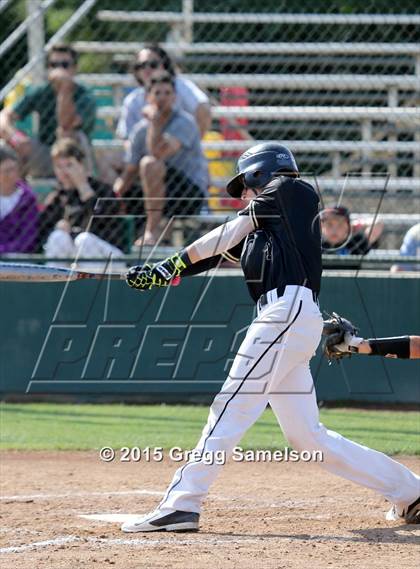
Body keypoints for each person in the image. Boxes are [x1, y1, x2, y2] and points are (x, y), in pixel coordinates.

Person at [122, 142, 419, 532]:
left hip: (286, 313)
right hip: (287, 318)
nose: (243, 195)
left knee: (229, 407)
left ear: (261, 173)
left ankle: (183, 503)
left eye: (245, 185)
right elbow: (214, 254)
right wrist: (164, 274)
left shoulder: (291, 190)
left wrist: (170, 264)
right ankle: (411, 493)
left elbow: (229, 230)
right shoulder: (266, 230)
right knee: (309, 439)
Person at [114, 72, 207, 246]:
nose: (162, 98)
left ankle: (152, 231)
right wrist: (113, 195)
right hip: (155, 193)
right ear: (148, 98)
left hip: (187, 194)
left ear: (175, 97)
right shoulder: (140, 130)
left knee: (150, 164)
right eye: (157, 93)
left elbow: (158, 153)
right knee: (123, 191)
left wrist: (155, 123)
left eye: (167, 93)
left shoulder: (185, 122)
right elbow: (130, 171)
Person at [0, 43, 96, 177]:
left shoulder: (85, 95)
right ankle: (17, 193)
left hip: (75, 157)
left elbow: (66, 124)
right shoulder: (42, 91)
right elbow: (4, 117)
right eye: (54, 65)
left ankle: (76, 189)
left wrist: (65, 90)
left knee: (67, 134)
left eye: (65, 65)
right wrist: (15, 137)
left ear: (74, 68)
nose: (59, 70)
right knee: (6, 143)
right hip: (44, 154)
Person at [38, 138, 125, 267]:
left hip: (109, 256)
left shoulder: (103, 190)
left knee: (84, 240)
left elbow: (104, 220)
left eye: (69, 165)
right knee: (58, 237)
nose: (65, 172)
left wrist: (82, 186)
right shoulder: (57, 197)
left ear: (82, 165)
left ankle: (91, 288)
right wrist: (57, 227)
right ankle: (55, 286)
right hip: (74, 260)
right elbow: (41, 232)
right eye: (59, 167)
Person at [116, 44, 211, 140]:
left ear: (164, 65)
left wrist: (191, 145)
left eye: (153, 64)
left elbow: (203, 108)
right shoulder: (133, 100)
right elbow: (125, 137)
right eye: (141, 66)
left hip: (179, 147)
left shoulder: (180, 86)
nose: (147, 69)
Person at [0, 147, 38, 254]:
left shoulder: (27, 199)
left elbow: (28, 237)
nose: (13, 175)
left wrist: (5, 251)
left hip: (19, 255)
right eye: (7, 171)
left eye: (15, 169)